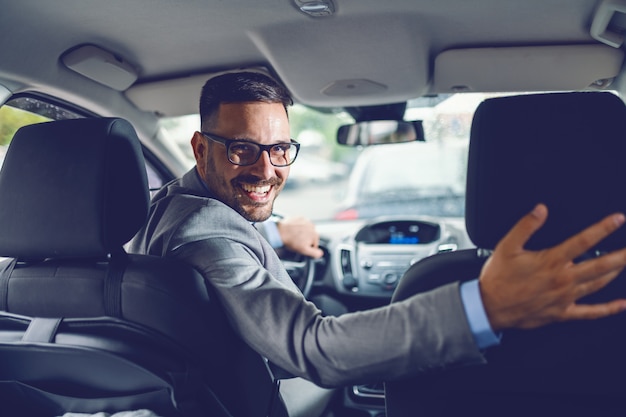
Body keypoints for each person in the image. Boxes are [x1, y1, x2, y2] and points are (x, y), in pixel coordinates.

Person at [129, 71, 626, 391]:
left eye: (279, 149)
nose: (266, 170)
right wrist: (486, 304)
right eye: (241, 149)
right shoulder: (205, 233)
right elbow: (312, 347)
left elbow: (222, 234)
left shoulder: (162, 207)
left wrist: (279, 237)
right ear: (199, 148)